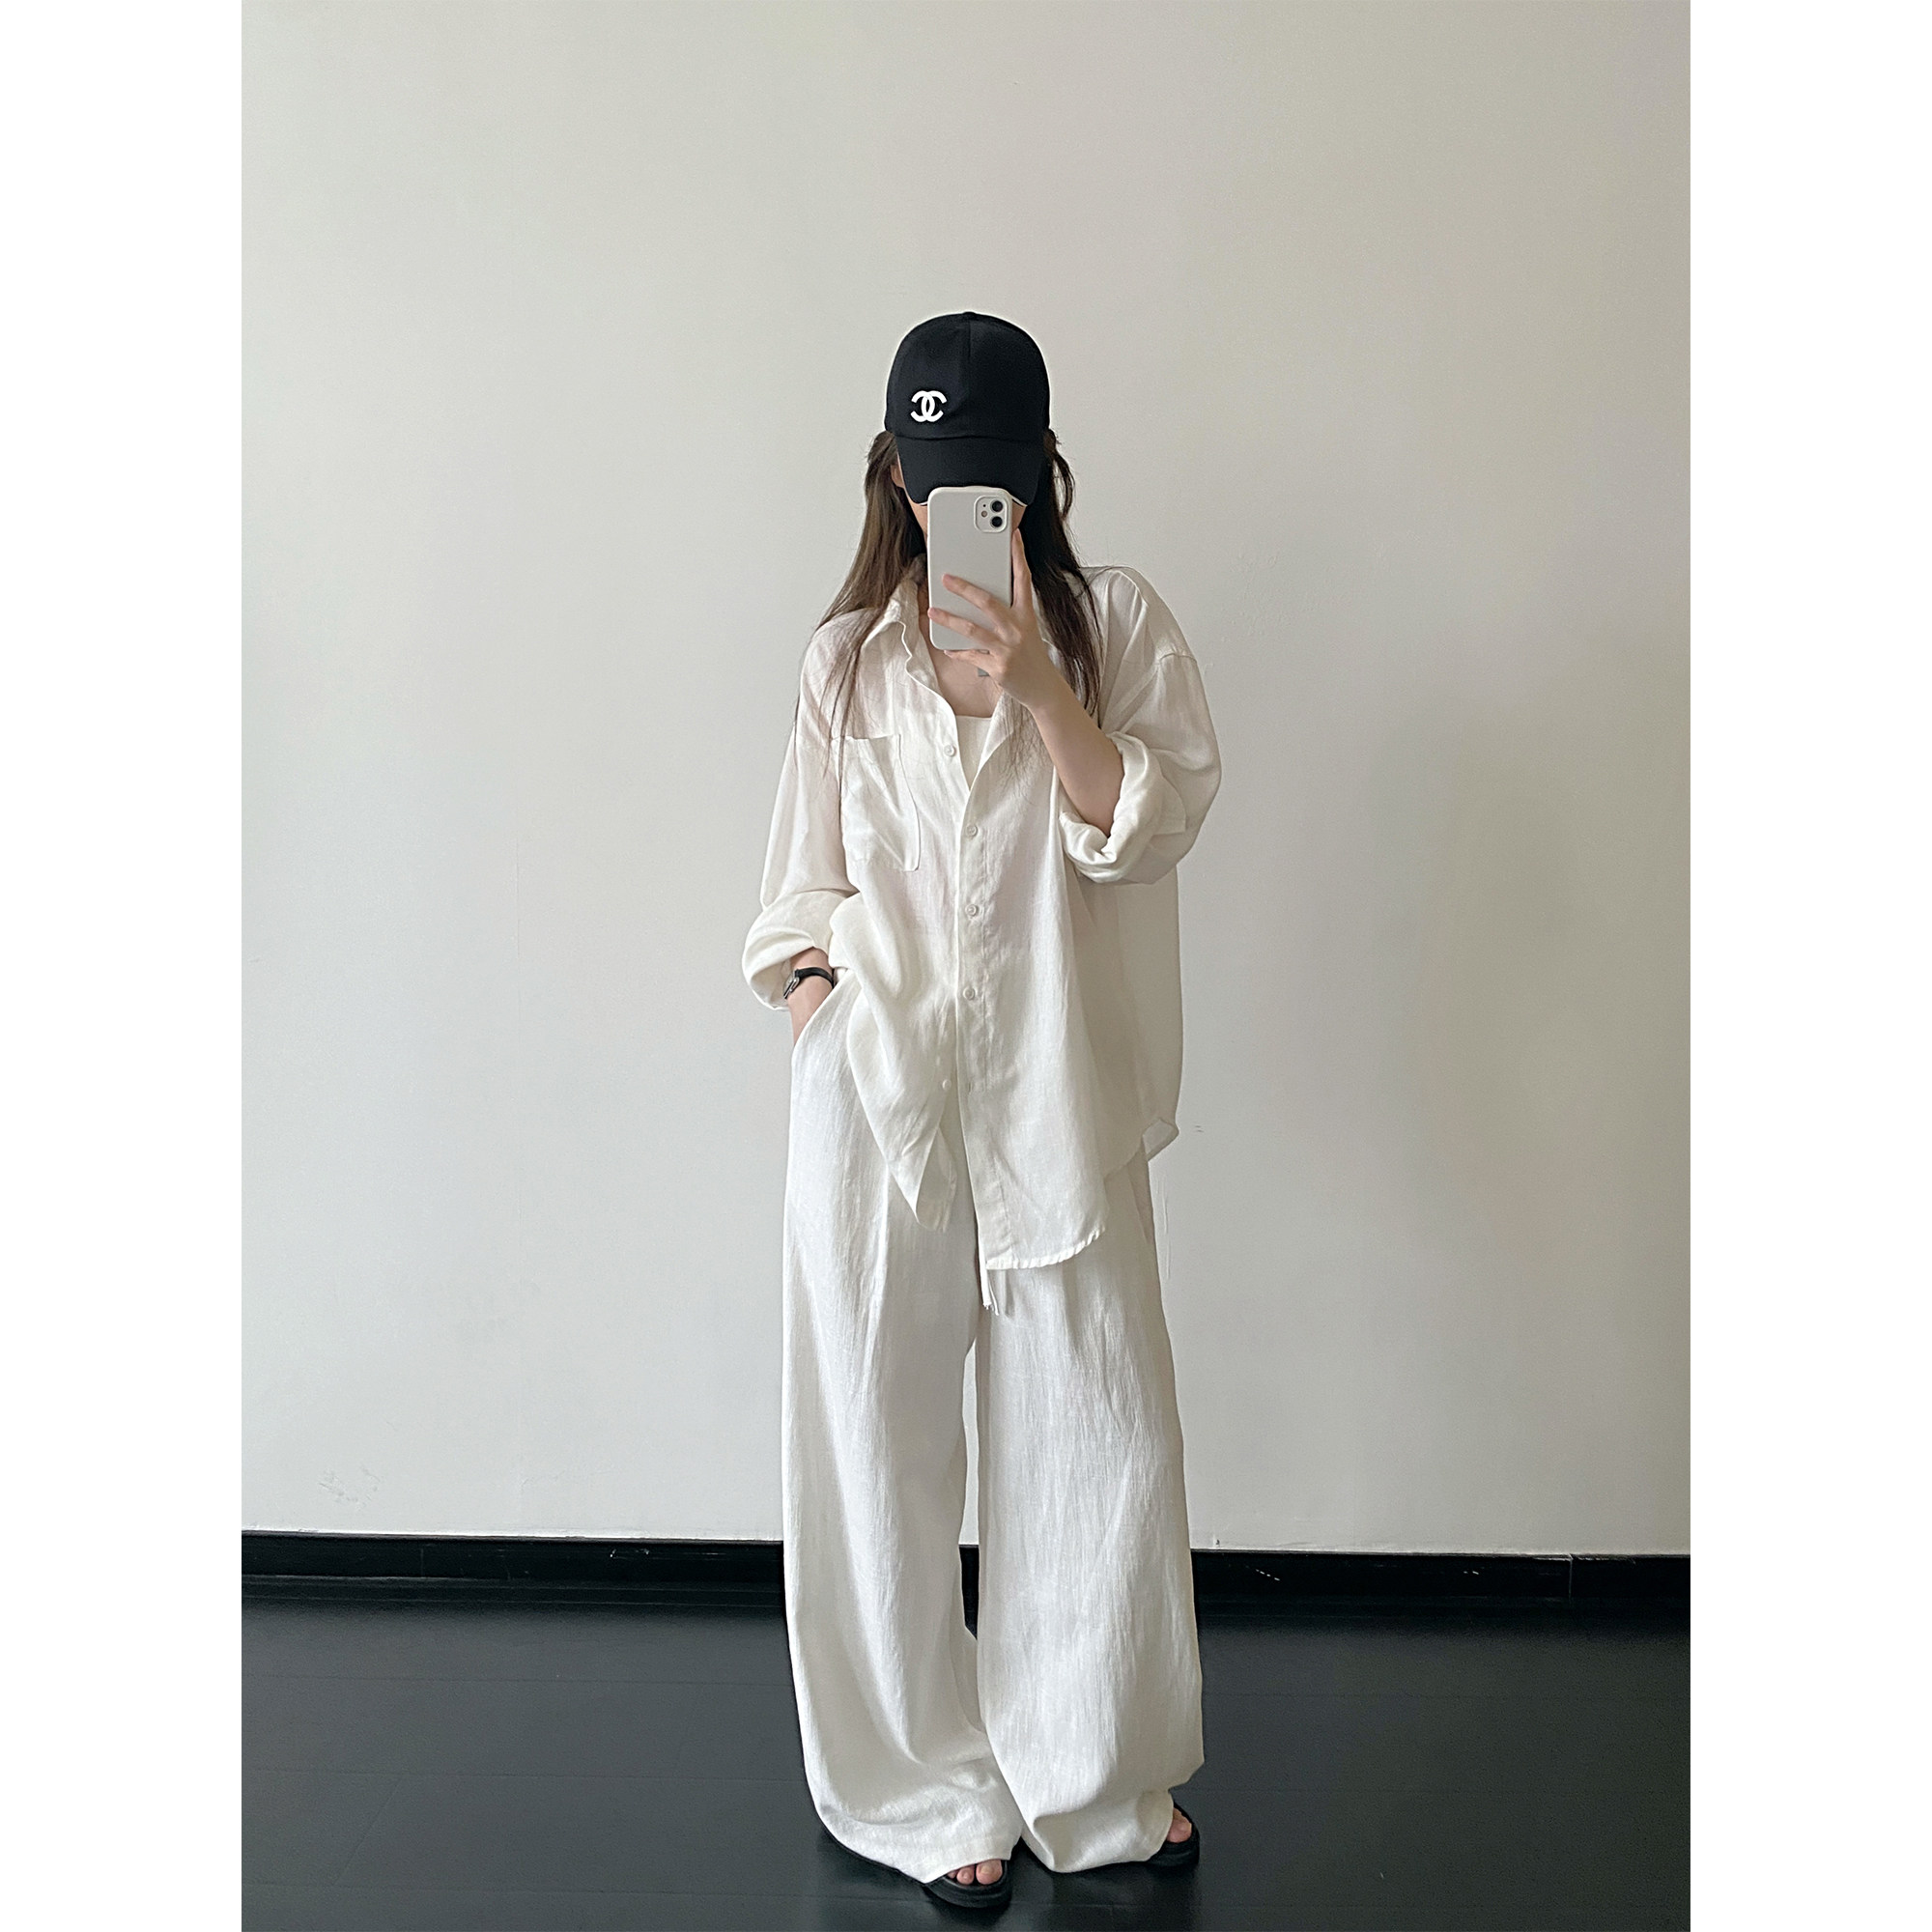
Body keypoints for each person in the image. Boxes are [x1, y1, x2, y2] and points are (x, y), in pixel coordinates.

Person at [742, 311, 1222, 1913]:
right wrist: (817, 1001)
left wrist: (1037, 686)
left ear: (1039, 475)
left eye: (994, 480)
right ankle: (916, 1784)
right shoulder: (847, 661)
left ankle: (1092, 1773)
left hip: (1055, 1095)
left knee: (1097, 1434)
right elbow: (796, 888)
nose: (966, 505)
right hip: (875, 1104)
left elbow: (1149, 822)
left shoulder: (1115, 624)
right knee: (871, 1446)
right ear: (899, 476)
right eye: (941, 478)